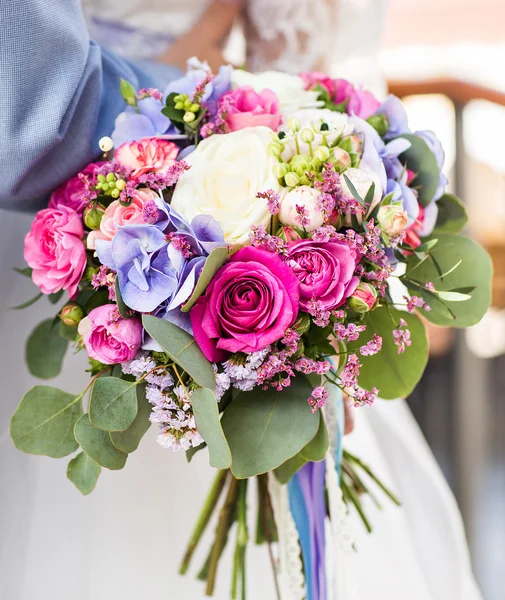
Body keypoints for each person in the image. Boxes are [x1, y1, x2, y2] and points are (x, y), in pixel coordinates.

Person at [0, 1, 482, 599]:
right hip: (78, 246)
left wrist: (322, 320)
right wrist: (190, 106)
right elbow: (30, 104)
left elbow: (310, 74)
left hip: (99, 234)